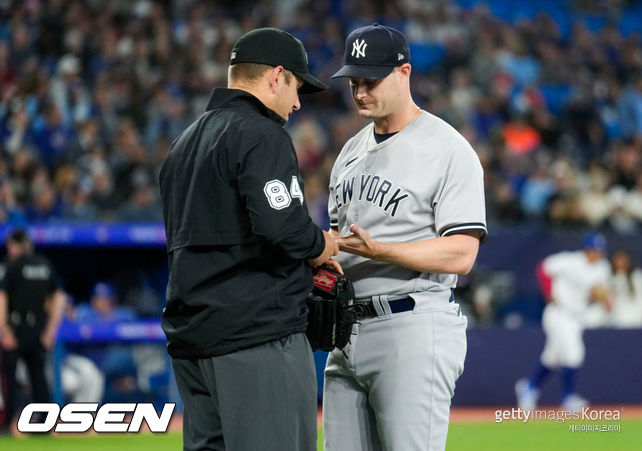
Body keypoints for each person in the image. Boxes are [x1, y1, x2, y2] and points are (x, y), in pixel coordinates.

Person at [158, 27, 339, 451]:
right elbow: (285, 229)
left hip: (194, 341)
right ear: (276, 76)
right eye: (296, 86)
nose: (297, 102)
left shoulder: (182, 145)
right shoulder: (260, 132)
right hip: (255, 339)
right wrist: (322, 247)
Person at [324, 24, 488, 451]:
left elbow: (462, 253)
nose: (360, 91)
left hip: (413, 324)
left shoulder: (447, 149)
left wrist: (383, 250)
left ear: (404, 72)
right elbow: (341, 244)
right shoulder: (350, 152)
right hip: (345, 332)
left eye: (371, 80)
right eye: (354, 81)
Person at [516, 232, 612, 412]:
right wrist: (548, 292)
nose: (597, 254)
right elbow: (543, 268)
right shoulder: (571, 261)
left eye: (599, 251)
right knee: (574, 353)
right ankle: (568, 397)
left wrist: (604, 297)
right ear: (586, 249)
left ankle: (529, 386)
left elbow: (597, 291)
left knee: (552, 358)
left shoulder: (602, 267)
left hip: (577, 317)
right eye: (594, 250)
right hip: (558, 313)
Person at [0, 229, 66, 428]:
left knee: (9, 379)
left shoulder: (13, 265)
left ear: (16, 245)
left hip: (16, 327)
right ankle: (44, 424)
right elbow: (59, 298)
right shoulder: (45, 265)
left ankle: (7, 425)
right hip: (38, 328)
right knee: (38, 378)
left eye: (10, 245)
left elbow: (2, 297)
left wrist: (5, 330)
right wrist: (50, 331)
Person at [609, 249, 642, 328]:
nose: (620, 263)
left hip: (637, 320)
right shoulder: (610, 278)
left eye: (623, 260)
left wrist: (641, 318)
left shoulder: (637, 276)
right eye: (618, 260)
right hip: (616, 322)